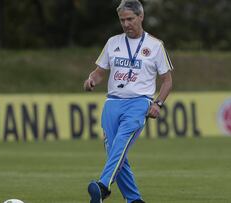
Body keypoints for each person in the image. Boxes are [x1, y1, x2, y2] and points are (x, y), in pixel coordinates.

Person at [83, 0, 173, 202]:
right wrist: (90, 81)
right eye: (122, 20)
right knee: (116, 152)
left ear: (141, 17)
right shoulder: (113, 42)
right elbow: (99, 72)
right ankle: (134, 199)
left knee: (121, 143)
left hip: (139, 103)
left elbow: (167, 81)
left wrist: (157, 103)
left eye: (130, 19)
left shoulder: (155, 46)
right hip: (112, 103)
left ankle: (103, 185)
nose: (126, 24)